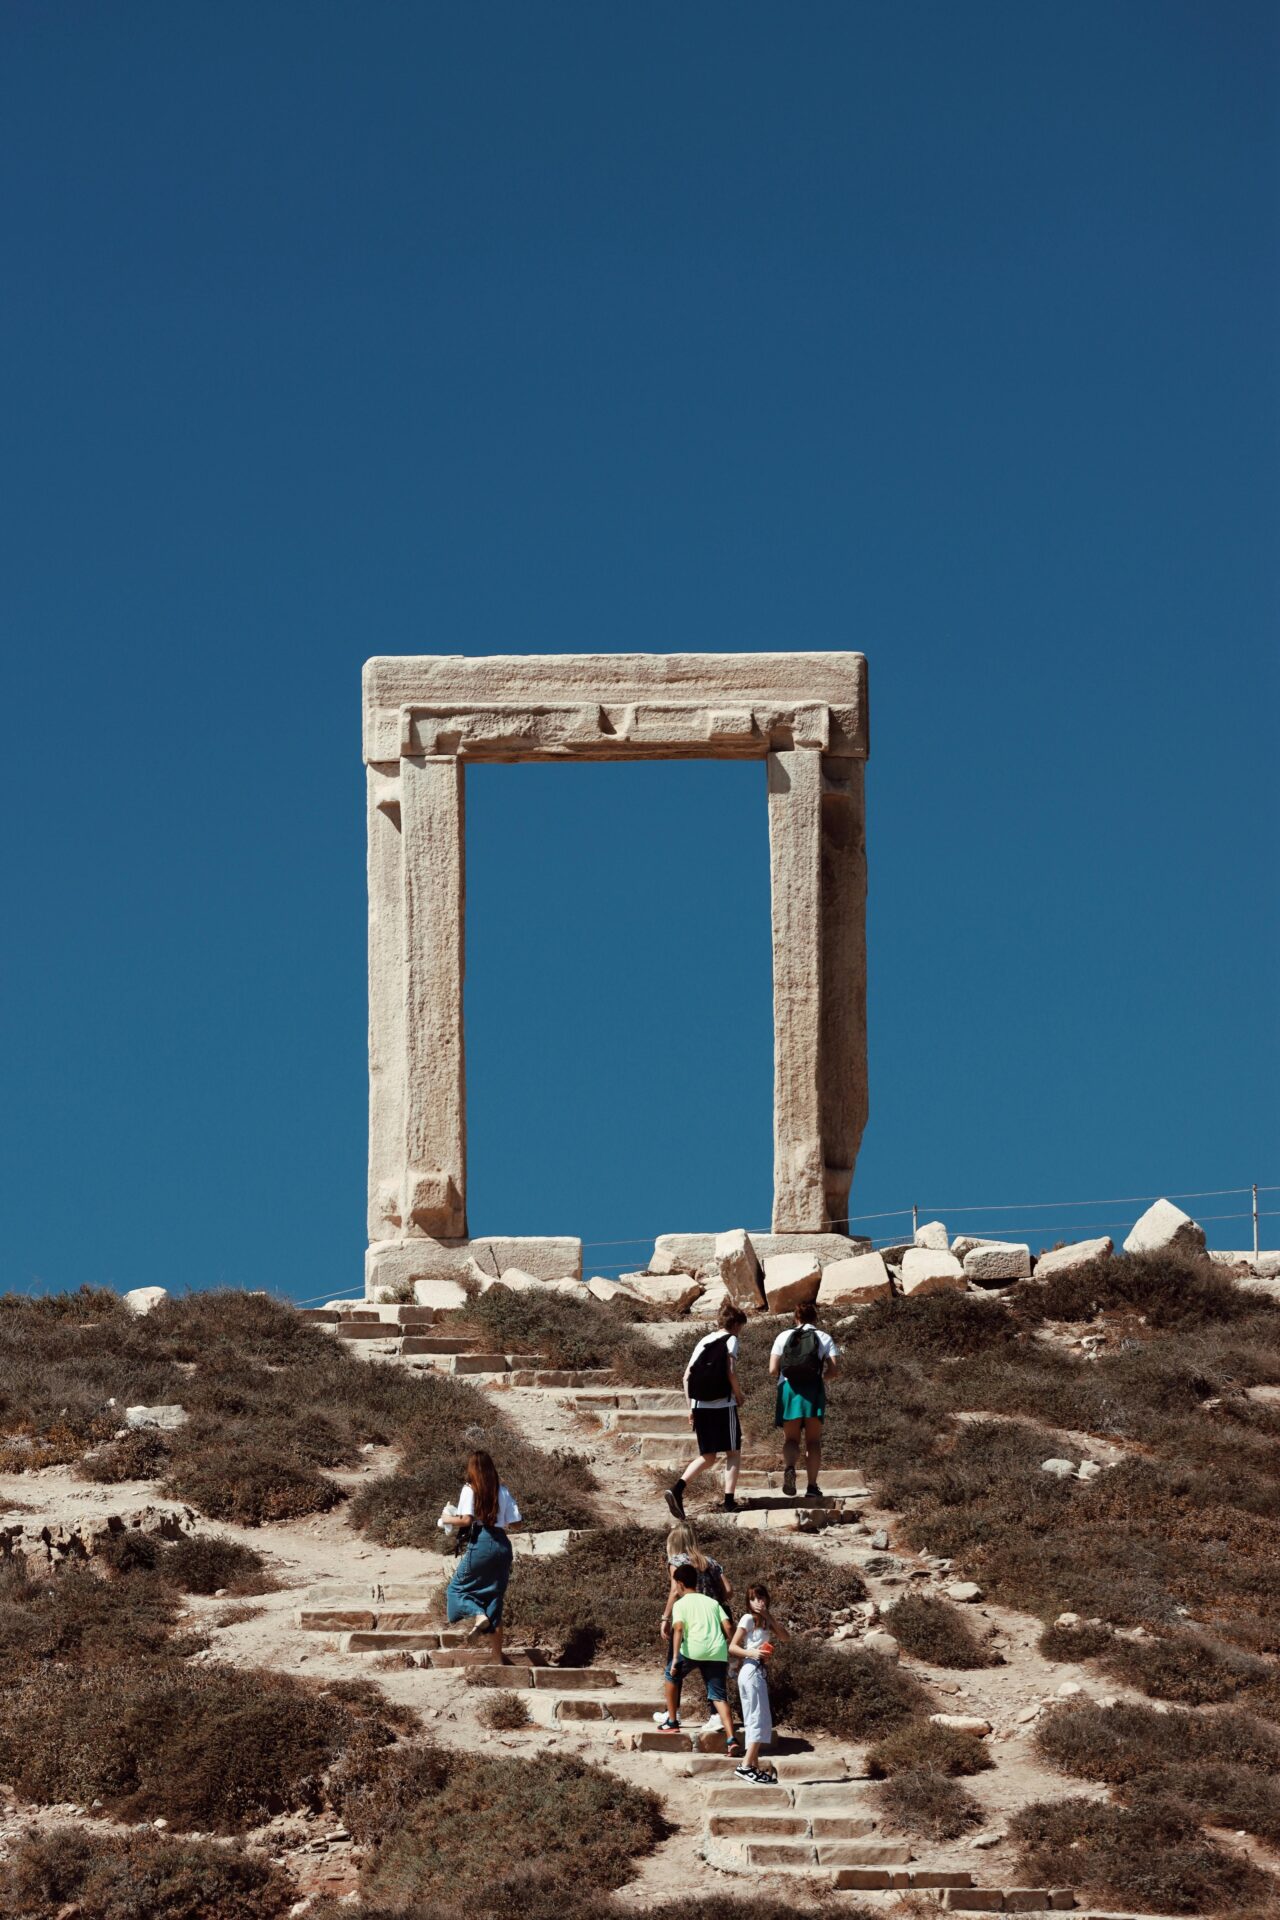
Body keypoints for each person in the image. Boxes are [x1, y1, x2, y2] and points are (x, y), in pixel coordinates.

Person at [665, 1299, 748, 1518]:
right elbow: (730, 1371)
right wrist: (738, 1394)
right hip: (723, 1404)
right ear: (737, 1324)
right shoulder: (731, 1340)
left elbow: (686, 1376)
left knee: (708, 1456)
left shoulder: (704, 1340)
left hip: (699, 1404)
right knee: (733, 1452)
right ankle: (729, 1502)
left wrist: (690, 1408)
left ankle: (678, 1489)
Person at [441, 1450, 523, 1661]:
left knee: (456, 1590)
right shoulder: (502, 1490)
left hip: (483, 1541)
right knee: (495, 1599)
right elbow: (516, 1522)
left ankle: (478, 1615)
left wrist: (446, 1519)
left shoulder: (470, 1488)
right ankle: (497, 1659)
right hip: (503, 1545)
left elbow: (466, 1520)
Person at [653, 1562, 741, 1756]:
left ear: (681, 1584)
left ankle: (672, 1721)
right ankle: (731, 1739)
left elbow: (678, 1629)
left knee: (670, 1675)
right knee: (718, 1696)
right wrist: (732, 1645)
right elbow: (727, 1627)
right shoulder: (712, 1602)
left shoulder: (681, 1604)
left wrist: (675, 1658)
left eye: (676, 1583)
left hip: (693, 1650)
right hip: (716, 1651)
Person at [769, 1301, 839, 1499]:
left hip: (789, 1390)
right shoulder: (824, 1337)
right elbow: (834, 1371)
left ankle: (790, 1467)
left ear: (795, 1317)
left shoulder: (783, 1336)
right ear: (815, 1317)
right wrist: (817, 1378)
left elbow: (773, 1369)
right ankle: (812, 1487)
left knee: (791, 1439)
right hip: (813, 1390)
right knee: (813, 1441)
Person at [728, 1581, 788, 1782]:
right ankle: (745, 1766)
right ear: (748, 1601)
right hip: (751, 1670)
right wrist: (751, 1652)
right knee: (758, 1719)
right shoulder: (747, 1618)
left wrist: (768, 1615)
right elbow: (733, 1647)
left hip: (757, 1671)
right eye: (753, 1598)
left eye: (760, 1597)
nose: (757, 1602)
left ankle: (753, 1765)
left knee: (757, 1718)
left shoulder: (765, 1621)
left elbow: (785, 1637)